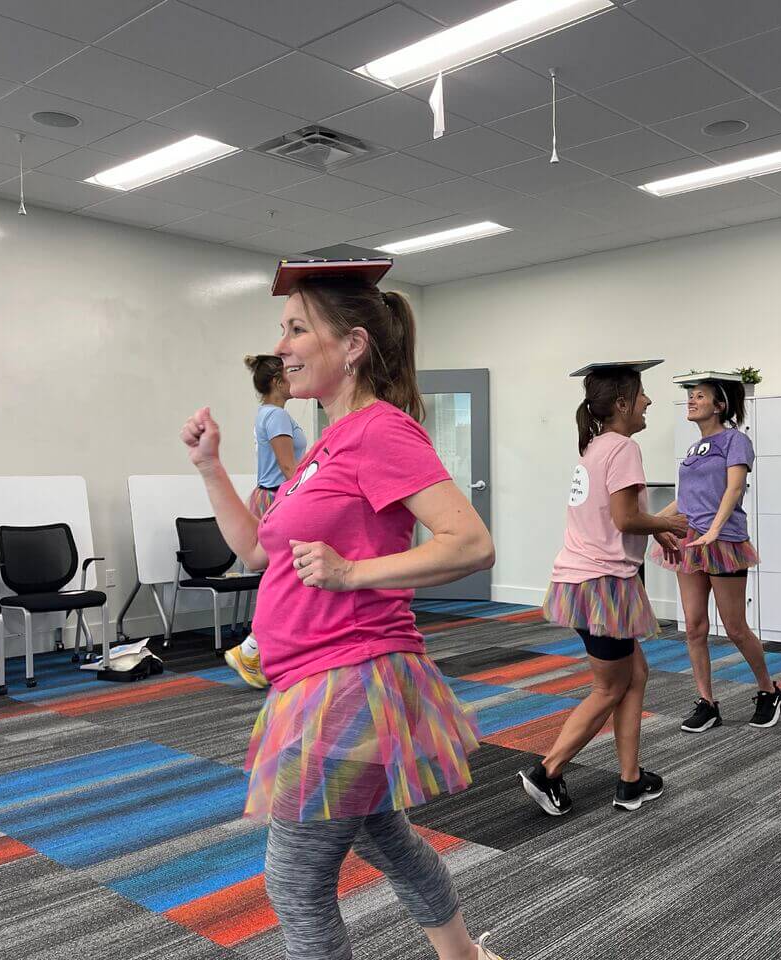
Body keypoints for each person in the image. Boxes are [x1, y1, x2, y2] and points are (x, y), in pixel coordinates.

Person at [180, 259, 507, 960]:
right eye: (283, 331)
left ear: (352, 345)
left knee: (295, 880)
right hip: (313, 679)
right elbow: (258, 553)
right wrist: (211, 467)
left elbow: (470, 542)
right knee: (384, 835)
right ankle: (466, 957)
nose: (283, 347)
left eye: (298, 329)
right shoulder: (321, 448)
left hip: (348, 678)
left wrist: (354, 571)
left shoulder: (382, 431)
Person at [519, 360, 687, 817]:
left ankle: (631, 781)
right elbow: (624, 518)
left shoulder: (595, 447)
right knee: (608, 687)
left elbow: (612, 517)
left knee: (635, 676)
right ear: (621, 404)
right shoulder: (624, 448)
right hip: (603, 584)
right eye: (642, 395)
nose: (648, 401)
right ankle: (547, 771)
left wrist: (656, 531)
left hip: (582, 581)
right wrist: (665, 522)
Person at [656, 374, 781, 732]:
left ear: (720, 405)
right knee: (694, 627)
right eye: (691, 396)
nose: (692, 400)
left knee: (734, 627)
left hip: (723, 541)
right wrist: (651, 523)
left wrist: (714, 529)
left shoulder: (735, 440)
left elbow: (735, 488)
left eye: (700, 396)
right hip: (690, 542)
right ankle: (707, 703)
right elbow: (684, 500)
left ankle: (768, 690)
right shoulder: (693, 450)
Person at [224, 353, 307, 689]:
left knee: (286, 577)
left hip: (274, 495)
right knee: (287, 578)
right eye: (290, 374)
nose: (296, 379)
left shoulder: (272, 414)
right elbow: (289, 468)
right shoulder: (275, 417)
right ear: (277, 382)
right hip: (278, 497)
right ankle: (253, 649)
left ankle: (259, 650)